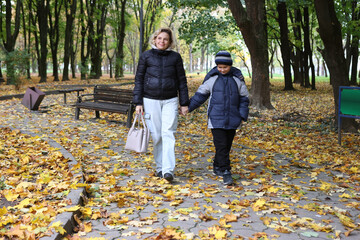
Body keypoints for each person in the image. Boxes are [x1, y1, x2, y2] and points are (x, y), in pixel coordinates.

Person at [133, 27, 189, 182]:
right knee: (156, 136)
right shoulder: (146, 56)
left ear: (170, 42)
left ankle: (168, 170)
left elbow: (182, 81)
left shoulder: (175, 57)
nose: (162, 41)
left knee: (168, 133)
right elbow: (139, 80)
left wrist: (184, 103)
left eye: (165, 39)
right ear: (155, 39)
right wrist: (138, 102)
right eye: (159, 38)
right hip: (150, 100)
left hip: (170, 100)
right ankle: (159, 168)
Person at [188, 51, 249, 185]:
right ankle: (226, 171)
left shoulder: (237, 79)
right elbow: (200, 95)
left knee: (226, 146)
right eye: (219, 67)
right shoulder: (212, 79)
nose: (222, 70)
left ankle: (217, 165)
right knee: (221, 145)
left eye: (225, 67)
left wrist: (243, 114)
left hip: (233, 119)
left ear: (230, 66)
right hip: (216, 119)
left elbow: (244, 98)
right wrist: (188, 107)